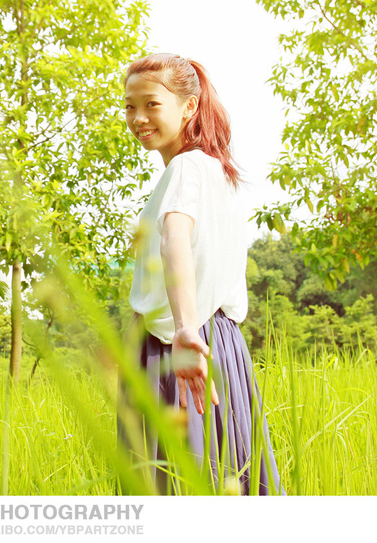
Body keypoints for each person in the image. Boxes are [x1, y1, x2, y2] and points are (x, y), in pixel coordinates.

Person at [117, 53, 285, 495]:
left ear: (189, 106)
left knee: (173, 484)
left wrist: (186, 330)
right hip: (222, 343)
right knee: (226, 475)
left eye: (152, 104)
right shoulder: (218, 172)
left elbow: (175, 239)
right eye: (130, 107)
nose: (138, 118)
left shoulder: (186, 166)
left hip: (177, 345)